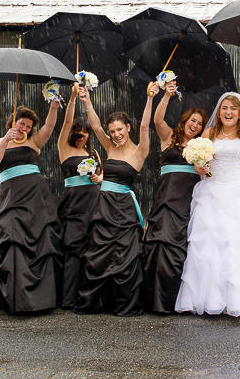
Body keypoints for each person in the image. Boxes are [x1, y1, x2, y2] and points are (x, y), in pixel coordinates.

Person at [175, 81, 240, 317]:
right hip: (212, 192)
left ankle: (239, 299)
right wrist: (199, 168)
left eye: (233, 108)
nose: (228, 112)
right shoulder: (209, 133)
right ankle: (213, 299)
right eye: (224, 108)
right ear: (219, 111)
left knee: (238, 249)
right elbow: (200, 162)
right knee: (210, 250)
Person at [74, 82, 157, 316]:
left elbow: (145, 124)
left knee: (126, 256)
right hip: (104, 206)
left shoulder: (140, 150)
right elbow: (96, 126)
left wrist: (150, 98)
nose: (115, 134)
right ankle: (98, 301)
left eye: (119, 129)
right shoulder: (109, 146)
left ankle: (124, 302)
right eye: (112, 131)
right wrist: (86, 100)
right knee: (98, 253)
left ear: (128, 127)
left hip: (125, 208)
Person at [0, 101, 63, 313]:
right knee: (8, 238)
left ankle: (43, 296)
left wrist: (54, 108)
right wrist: (6, 140)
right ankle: (6, 295)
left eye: (28, 126)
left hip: (36, 196)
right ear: (13, 122)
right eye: (21, 123)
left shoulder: (34, 142)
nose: (24, 128)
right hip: (11, 197)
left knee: (43, 240)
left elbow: (49, 127)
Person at [143, 80, 209, 313]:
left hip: (187, 201)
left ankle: (175, 298)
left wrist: (201, 169)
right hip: (165, 197)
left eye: (200, 124)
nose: (196, 125)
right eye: (193, 120)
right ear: (185, 120)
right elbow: (157, 120)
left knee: (181, 245)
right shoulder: (169, 137)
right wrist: (166, 96)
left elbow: (207, 172)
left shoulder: (202, 147)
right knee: (160, 243)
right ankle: (155, 298)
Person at [56, 86, 102, 309]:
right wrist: (73, 97)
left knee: (91, 247)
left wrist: (98, 179)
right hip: (73, 204)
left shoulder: (93, 153)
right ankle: (68, 297)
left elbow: (103, 174)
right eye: (78, 131)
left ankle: (88, 296)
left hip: (93, 202)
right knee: (73, 248)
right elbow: (65, 123)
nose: (81, 135)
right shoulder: (64, 147)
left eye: (85, 132)